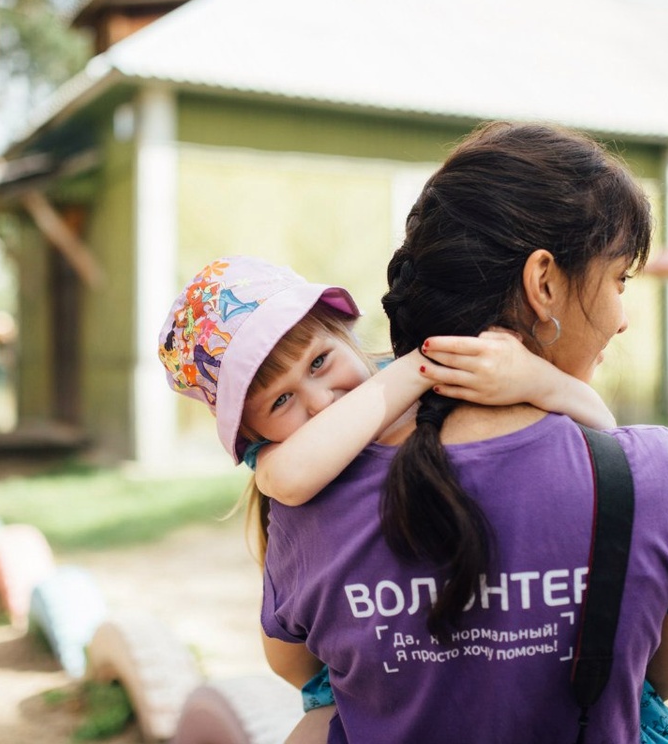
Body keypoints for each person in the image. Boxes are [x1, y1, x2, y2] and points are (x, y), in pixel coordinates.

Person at [260, 122, 668, 743]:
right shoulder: (654, 473)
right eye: (619, 279)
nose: (622, 317)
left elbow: (304, 673)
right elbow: (664, 675)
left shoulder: (311, 498)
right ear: (544, 283)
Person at [157, 255, 620, 739]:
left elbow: (604, 428)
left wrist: (537, 379)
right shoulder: (289, 456)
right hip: (360, 682)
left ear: (344, 330)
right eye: (280, 401)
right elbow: (289, 482)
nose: (320, 401)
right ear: (254, 435)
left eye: (319, 361)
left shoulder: (407, 382)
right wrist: (420, 368)